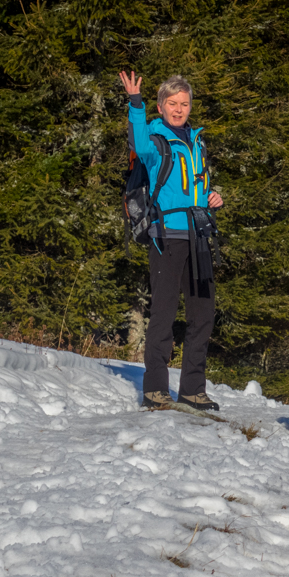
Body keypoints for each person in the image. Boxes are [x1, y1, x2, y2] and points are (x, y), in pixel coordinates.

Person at [119, 70, 224, 411]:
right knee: (163, 314)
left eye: (184, 103)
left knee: (203, 315)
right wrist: (136, 102)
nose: (179, 109)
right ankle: (155, 390)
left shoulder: (196, 139)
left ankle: (193, 389)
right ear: (161, 106)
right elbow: (136, 141)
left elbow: (197, 183)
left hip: (199, 233)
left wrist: (212, 196)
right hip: (167, 235)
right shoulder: (154, 139)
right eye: (172, 103)